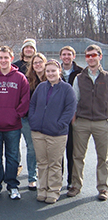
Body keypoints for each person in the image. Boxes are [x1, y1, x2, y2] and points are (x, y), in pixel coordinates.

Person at [0, 46, 30, 200]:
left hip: (13, 125)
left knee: (12, 157)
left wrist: (16, 115)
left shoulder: (20, 77)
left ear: (11, 58)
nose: (3, 60)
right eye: (1, 58)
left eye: (6, 58)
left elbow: (25, 100)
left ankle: (13, 186)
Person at [28, 59, 76, 204]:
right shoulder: (41, 87)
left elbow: (70, 109)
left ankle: (54, 191)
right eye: (48, 71)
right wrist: (34, 119)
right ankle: (42, 189)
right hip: (38, 131)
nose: (50, 73)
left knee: (54, 163)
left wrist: (60, 124)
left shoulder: (67, 89)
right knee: (42, 162)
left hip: (57, 133)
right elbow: (33, 104)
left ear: (59, 71)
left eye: (53, 71)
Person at [67, 45, 108, 201]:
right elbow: (73, 100)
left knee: (103, 158)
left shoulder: (106, 77)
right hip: (82, 122)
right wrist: (74, 121)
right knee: (78, 156)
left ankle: (103, 188)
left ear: (100, 56)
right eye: (88, 56)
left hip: (101, 122)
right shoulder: (79, 78)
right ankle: (76, 185)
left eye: (93, 55)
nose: (91, 58)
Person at [59, 46, 83, 189]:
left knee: (73, 151)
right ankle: (58, 180)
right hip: (58, 117)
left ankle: (72, 181)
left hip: (75, 117)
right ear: (60, 56)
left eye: (69, 54)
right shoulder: (56, 71)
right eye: (64, 54)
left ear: (74, 56)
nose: (66, 57)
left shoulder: (81, 73)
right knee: (58, 152)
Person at [23, 53, 47, 190]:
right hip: (29, 120)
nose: (37, 65)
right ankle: (32, 177)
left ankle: (45, 177)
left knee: (45, 150)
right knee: (32, 149)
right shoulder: (27, 80)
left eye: (40, 62)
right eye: (35, 63)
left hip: (47, 120)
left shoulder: (50, 78)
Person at [13, 38, 37, 177]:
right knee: (14, 146)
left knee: (32, 146)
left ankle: (32, 173)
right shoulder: (15, 66)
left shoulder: (38, 66)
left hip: (31, 114)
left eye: (31, 48)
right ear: (23, 50)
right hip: (16, 113)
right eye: (26, 47)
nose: (29, 50)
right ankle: (16, 168)